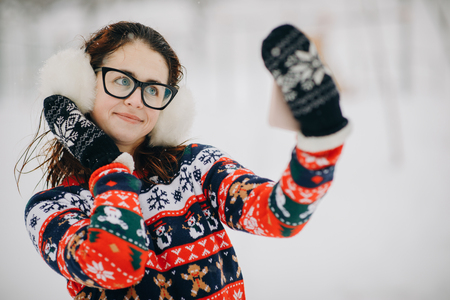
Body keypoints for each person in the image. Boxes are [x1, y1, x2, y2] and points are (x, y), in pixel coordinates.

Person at [20, 21, 351, 300]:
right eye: (122, 81)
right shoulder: (51, 210)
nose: (136, 100)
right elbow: (116, 264)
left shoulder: (196, 168)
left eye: (153, 89)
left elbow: (280, 214)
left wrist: (320, 141)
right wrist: (106, 163)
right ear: (84, 85)